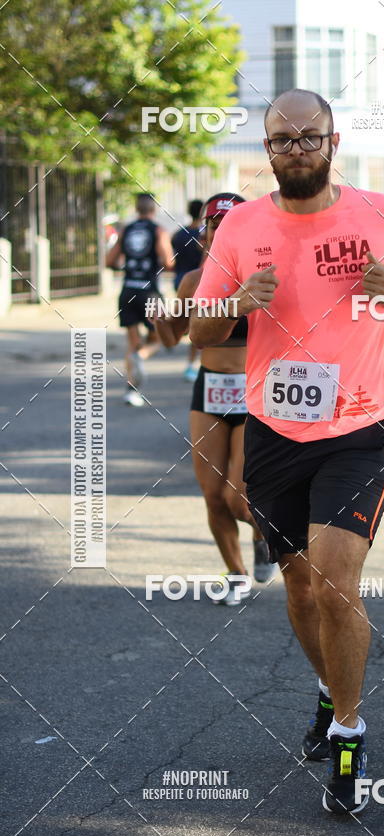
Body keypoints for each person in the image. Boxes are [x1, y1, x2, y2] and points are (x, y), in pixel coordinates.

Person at [189, 89, 384, 814]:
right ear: (266, 149)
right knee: (298, 586)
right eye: (281, 140)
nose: (295, 149)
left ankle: (349, 728)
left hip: (359, 428)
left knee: (334, 582)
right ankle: (329, 686)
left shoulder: (381, 213)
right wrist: (236, 304)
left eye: (308, 137)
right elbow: (198, 331)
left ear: (334, 139)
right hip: (276, 429)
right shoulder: (240, 227)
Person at [152, 193, 276, 604]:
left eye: (230, 222)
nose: (220, 230)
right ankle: (236, 574)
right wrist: (161, 320)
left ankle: (263, 532)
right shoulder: (193, 281)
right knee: (210, 495)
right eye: (214, 223)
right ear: (204, 229)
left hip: (253, 394)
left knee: (236, 496)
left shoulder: (261, 278)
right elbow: (173, 339)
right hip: (209, 389)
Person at [106, 193, 174, 406]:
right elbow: (168, 262)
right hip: (150, 292)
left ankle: (131, 390)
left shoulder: (126, 230)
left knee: (132, 342)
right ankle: (142, 356)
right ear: (153, 209)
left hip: (127, 290)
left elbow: (109, 260)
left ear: (137, 209)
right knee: (159, 338)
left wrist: (127, 266)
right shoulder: (158, 230)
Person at [171, 199, 205, 382]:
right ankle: (192, 365)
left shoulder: (178, 234)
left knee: (186, 320)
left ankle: (191, 363)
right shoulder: (204, 234)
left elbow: (171, 259)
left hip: (180, 280)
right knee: (196, 323)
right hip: (197, 282)